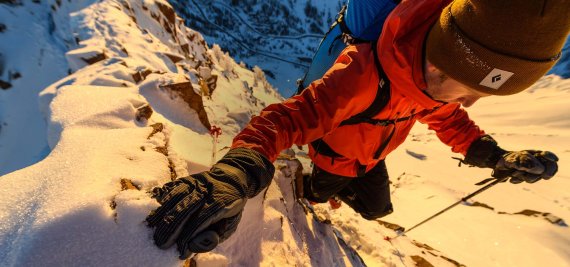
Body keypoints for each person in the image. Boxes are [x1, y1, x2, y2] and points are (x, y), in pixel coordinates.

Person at [146, 0, 569, 259]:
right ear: (441, 64)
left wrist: (496, 156)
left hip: (371, 155)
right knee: (322, 192)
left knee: (376, 211)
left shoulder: (436, 83)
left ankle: (331, 193)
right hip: (335, 157)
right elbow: (290, 118)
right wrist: (235, 172)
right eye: (467, 89)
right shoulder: (363, 74)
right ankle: (310, 191)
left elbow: (446, 117)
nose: (470, 101)